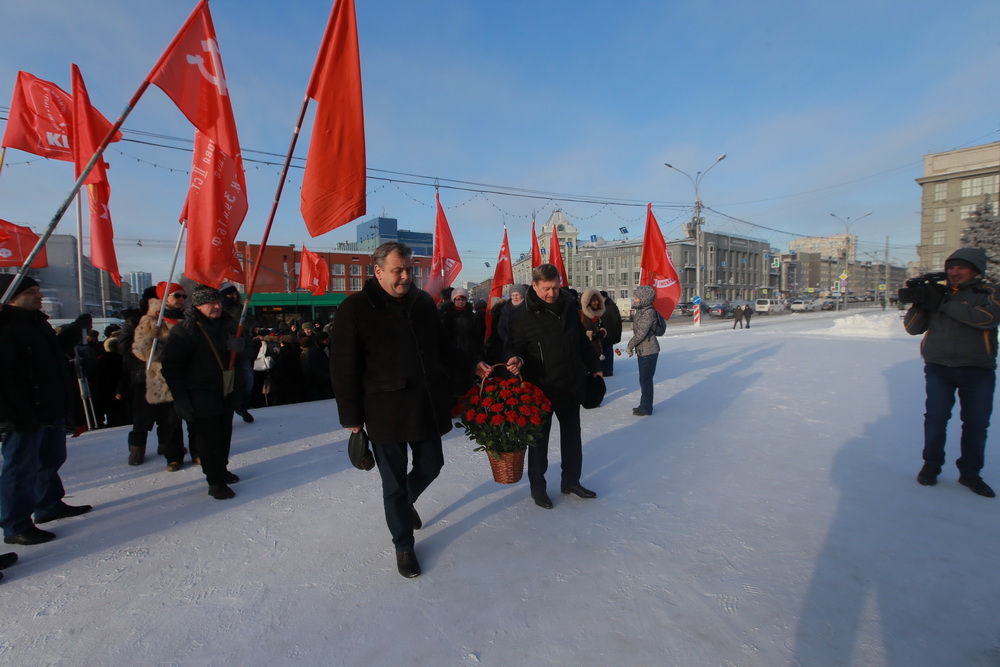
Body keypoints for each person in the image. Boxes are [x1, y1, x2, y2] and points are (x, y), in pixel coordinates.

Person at [329, 242, 455, 578]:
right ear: (378, 271)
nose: (405, 276)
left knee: (432, 464)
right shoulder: (354, 308)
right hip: (384, 411)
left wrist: (474, 366)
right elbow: (343, 367)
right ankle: (403, 545)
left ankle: (404, 506)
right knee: (394, 486)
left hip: (423, 405)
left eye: (409, 269)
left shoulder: (423, 302)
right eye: (398, 270)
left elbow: (444, 348)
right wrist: (352, 419)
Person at [0, 275, 92, 546]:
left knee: (50, 459)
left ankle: (49, 504)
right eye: (30, 292)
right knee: (20, 469)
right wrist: (16, 413)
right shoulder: (6, 327)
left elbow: (53, 354)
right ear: (11, 297)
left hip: (49, 407)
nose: (38, 296)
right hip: (23, 413)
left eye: (38, 291)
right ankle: (15, 525)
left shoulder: (37, 323)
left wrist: (75, 330)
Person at [504, 264, 603, 510]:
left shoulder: (569, 305)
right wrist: (515, 358)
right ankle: (538, 488)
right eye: (546, 288)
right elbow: (512, 346)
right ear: (534, 286)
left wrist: (594, 367)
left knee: (572, 439)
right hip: (540, 390)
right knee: (539, 443)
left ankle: (571, 482)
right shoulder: (520, 316)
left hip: (570, 384)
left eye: (556, 287)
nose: (552, 293)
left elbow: (580, 339)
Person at [904, 247, 1000, 498]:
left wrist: (944, 304)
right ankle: (931, 465)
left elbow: (988, 319)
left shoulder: (988, 292)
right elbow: (913, 328)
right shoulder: (938, 293)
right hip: (939, 367)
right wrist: (919, 303)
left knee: (976, 424)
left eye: (961, 267)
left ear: (975, 270)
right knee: (935, 419)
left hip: (976, 369)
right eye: (951, 267)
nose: (954, 272)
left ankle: (970, 473)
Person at [161, 286, 244, 500]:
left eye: (217, 302)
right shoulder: (185, 330)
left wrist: (241, 347)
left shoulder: (227, 324)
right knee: (208, 440)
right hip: (199, 393)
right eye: (211, 303)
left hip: (225, 389)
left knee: (224, 434)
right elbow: (171, 367)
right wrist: (180, 398)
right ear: (198, 305)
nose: (216, 306)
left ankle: (221, 469)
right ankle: (214, 481)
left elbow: (243, 358)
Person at [130, 282, 188, 470]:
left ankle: (198, 452)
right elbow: (140, 352)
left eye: (183, 296)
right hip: (163, 377)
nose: (181, 299)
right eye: (176, 295)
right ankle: (174, 456)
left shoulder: (190, 318)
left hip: (189, 373)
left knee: (194, 416)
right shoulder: (150, 320)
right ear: (164, 298)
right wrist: (152, 340)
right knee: (169, 420)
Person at [219, 282, 256, 424]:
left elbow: (250, 324)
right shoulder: (219, 311)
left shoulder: (241, 310)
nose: (233, 296)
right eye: (229, 294)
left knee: (248, 381)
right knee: (230, 384)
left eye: (234, 294)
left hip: (243, 352)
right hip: (226, 353)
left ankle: (242, 406)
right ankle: (228, 409)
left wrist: (234, 309)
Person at [439, 286, 483, 401]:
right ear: (454, 300)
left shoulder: (472, 316)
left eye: (463, 299)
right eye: (458, 299)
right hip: (450, 353)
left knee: (466, 380)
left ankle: (465, 405)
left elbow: (477, 335)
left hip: (468, 351)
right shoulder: (446, 315)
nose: (460, 302)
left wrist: (478, 352)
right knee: (452, 380)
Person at [626, 285, 661, 416]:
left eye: (637, 298)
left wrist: (630, 345)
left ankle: (646, 407)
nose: (635, 300)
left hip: (649, 351)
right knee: (643, 379)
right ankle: (644, 404)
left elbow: (641, 333)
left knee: (646, 380)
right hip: (642, 350)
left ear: (644, 298)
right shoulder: (642, 310)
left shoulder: (649, 312)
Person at [579, 288, 607, 362]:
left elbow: (603, 326)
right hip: (586, 351)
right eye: (594, 301)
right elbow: (576, 330)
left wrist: (602, 332)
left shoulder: (598, 314)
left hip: (598, 350)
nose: (597, 302)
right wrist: (590, 334)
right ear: (588, 302)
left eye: (598, 300)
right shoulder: (581, 314)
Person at [600, 291, 623, 376]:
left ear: (604, 298)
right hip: (605, 334)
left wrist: (617, 335)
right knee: (604, 352)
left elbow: (617, 322)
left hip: (609, 334)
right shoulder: (605, 306)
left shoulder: (611, 306)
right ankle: (605, 369)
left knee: (607, 352)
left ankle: (608, 370)